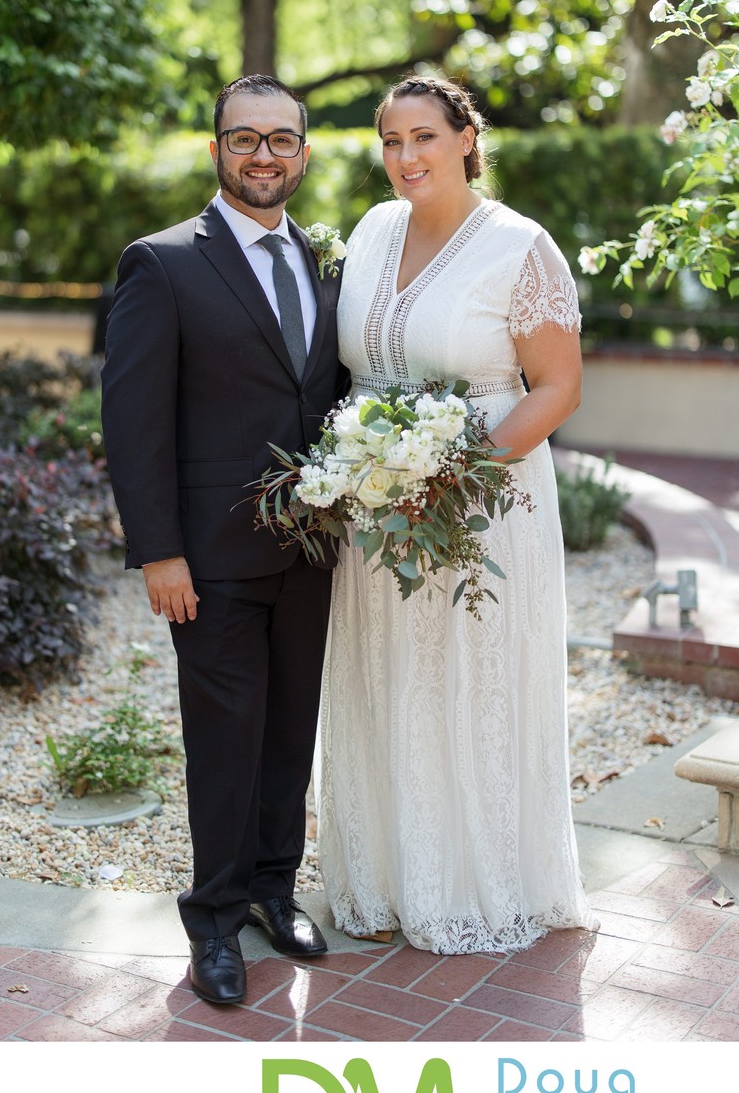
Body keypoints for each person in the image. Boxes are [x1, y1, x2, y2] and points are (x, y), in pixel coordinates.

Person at [315, 74, 595, 955]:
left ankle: (481, 882)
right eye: (389, 140)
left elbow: (556, 386)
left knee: (471, 680)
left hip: (481, 506)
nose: (405, 157)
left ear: (465, 137)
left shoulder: (519, 247)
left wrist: (455, 474)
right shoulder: (368, 230)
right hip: (373, 509)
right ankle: (390, 876)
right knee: (384, 676)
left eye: (423, 137)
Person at [101, 75, 345, 1004]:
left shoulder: (328, 263)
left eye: (282, 140)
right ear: (216, 151)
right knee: (224, 740)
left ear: (304, 153)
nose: (264, 157)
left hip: (312, 547)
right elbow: (134, 422)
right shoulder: (160, 264)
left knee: (289, 731)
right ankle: (212, 919)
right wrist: (159, 551)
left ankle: (273, 893)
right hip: (207, 558)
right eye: (245, 140)